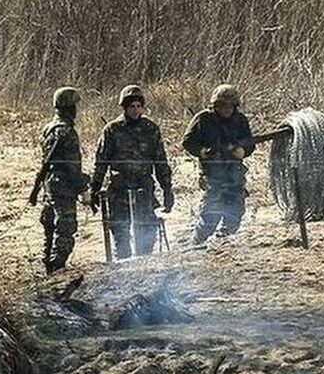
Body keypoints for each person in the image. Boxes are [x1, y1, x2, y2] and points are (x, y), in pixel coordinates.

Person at [90, 84, 174, 258]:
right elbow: (101, 161)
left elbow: (160, 160)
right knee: (120, 232)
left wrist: (167, 189)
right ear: (124, 107)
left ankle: (144, 270)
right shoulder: (112, 130)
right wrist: (95, 188)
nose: (135, 110)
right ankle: (123, 271)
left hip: (144, 187)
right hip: (119, 188)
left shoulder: (151, 129)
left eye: (138, 106)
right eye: (131, 107)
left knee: (146, 233)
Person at [181, 84, 255, 244]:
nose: (227, 109)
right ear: (216, 105)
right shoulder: (203, 119)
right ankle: (197, 244)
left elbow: (250, 142)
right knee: (210, 214)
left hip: (234, 173)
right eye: (223, 105)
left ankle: (222, 243)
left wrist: (242, 150)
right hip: (212, 174)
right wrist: (202, 151)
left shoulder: (240, 120)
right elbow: (187, 141)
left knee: (235, 212)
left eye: (230, 105)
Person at [29, 87, 89, 273]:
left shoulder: (48, 128)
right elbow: (72, 166)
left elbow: (46, 161)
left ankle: (48, 265)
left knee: (50, 225)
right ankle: (56, 267)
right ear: (69, 107)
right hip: (63, 185)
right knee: (65, 227)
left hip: (49, 183)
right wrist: (83, 188)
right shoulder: (67, 131)